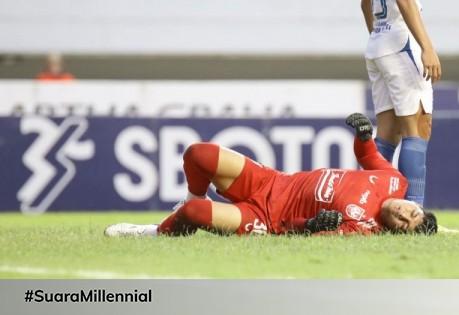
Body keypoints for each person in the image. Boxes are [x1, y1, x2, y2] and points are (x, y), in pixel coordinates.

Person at [104, 113, 438, 237]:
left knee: (191, 216)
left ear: (394, 231)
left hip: (267, 217)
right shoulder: (396, 181)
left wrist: (307, 227)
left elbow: (307, 235)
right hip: (273, 181)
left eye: (403, 225)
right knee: (197, 154)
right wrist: (363, 134)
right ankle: (194, 192)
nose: (402, 215)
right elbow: (368, 155)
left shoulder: (363, 228)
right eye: (411, 212)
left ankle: (152, 233)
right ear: (414, 204)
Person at [361, 0, 441, 206]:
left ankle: (367, 206)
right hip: (401, 43)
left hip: (379, 41)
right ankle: (414, 210)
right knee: (417, 127)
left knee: (388, 132)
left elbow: (364, 4)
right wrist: (427, 47)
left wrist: (380, 40)